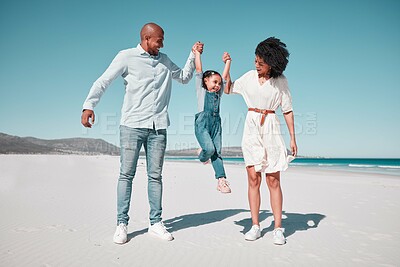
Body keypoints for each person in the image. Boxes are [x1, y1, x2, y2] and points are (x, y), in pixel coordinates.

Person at [81, 22, 203, 244]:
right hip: (132, 125)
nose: (162, 44)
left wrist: (192, 54)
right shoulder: (126, 57)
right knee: (126, 175)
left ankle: (155, 223)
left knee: (155, 176)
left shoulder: (165, 60)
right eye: (159, 40)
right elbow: (104, 80)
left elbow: (184, 77)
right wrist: (89, 105)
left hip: (158, 127)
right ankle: (121, 224)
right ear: (147, 38)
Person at [223, 37, 297, 245]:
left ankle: (278, 227)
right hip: (251, 128)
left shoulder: (281, 81)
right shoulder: (248, 77)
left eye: (261, 62)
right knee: (253, 178)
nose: (256, 65)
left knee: (273, 179)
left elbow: (288, 111)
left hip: (271, 127)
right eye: (255, 60)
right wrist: (227, 66)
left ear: (272, 63)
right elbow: (228, 89)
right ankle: (255, 225)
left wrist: (292, 138)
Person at [193, 44, 232, 193]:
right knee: (209, 149)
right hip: (202, 123)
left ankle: (221, 180)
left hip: (216, 124)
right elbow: (198, 70)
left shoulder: (218, 94)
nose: (217, 85)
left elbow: (224, 77)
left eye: (218, 83)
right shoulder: (201, 91)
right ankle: (202, 156)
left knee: (217, 152)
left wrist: (228, 62)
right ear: (205, 81)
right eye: (214, 82)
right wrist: (197, 53)